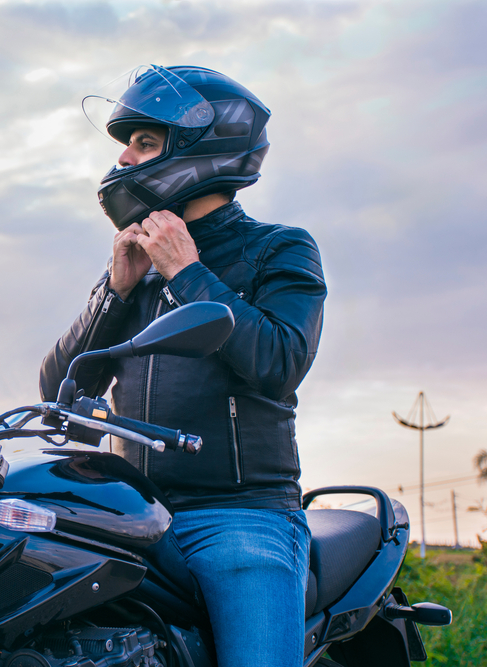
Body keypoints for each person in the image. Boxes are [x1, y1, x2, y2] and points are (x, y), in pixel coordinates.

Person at [39, 65, 327, 666]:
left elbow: (280, 361)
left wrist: (188, 272)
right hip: (132, 512)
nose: (124, 158)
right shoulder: (137, 266)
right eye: (127, 143)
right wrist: (114, 293)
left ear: (205, 149)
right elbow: (59, 392)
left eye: (144, 142)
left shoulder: (278, 248)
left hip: (240, 518)